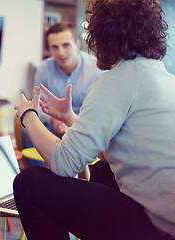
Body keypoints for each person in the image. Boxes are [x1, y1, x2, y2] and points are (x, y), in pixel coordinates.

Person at [13, 0, 175, 239]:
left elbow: (64, 163)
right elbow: (115, 149)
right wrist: (69, 117)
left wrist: (28, 114)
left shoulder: (118, 79)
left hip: (156, 227)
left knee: (28, 182)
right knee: (103, 171)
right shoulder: (163, 77)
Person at [21, 21, 102, 167]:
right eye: (55, 47)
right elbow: (37, 105)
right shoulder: (44, 69)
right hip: (54, 125)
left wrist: (72, 122)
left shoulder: (96, 68)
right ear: (49, 49)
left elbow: (100, 110)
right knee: (26, 131)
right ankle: (39, 177)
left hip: (84, 127)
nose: (61, 52)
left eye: (66, 45)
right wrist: (54, 120)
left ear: (77, 45)